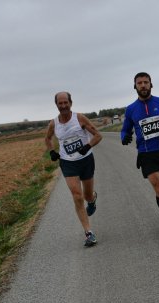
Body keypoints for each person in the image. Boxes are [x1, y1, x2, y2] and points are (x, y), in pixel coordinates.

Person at [120, 72, 159, 239]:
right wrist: (124, 137)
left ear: (151, 84)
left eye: (146, 82)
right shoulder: (131, 109)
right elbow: (125, 129)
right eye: (139, 83)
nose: (143, 85)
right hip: (146, 154)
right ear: (135, 86)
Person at [45, 91, 103, 247]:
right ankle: (88, 233)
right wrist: (52, 151)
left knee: (87, 195)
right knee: (77, 196)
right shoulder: (53, 123)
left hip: (86, 161)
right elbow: (47, 138)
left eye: (66, 102)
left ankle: (92, 200)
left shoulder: (80, 118)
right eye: (60, 103)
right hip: (68, 163)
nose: (63, 106)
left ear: (71, 103)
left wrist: (88, 146)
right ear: (56, 105)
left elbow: (98, 135)